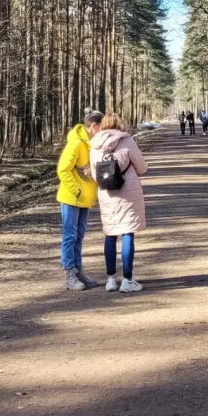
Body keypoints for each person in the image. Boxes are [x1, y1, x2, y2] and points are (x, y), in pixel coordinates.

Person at [89, 112, 149, 292]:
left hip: (107, 193)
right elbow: (142, 167)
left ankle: (110, 279)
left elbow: (94, 174)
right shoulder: (127, 141)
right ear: (119, 124)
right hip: (128, 192)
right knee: (127, 233)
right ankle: (128, 280)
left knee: (110, 234)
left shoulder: (95, 146)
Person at [56, 111, 102, 291]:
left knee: (79, 236)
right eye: (102, 127)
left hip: (85, 199)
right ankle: (69, 274)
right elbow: (63, 169)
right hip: (71, 198)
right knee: (70, 236)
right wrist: (76, 190)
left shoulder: (94, 145)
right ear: (93, 126)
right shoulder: (75, 143)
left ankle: (78, 270)